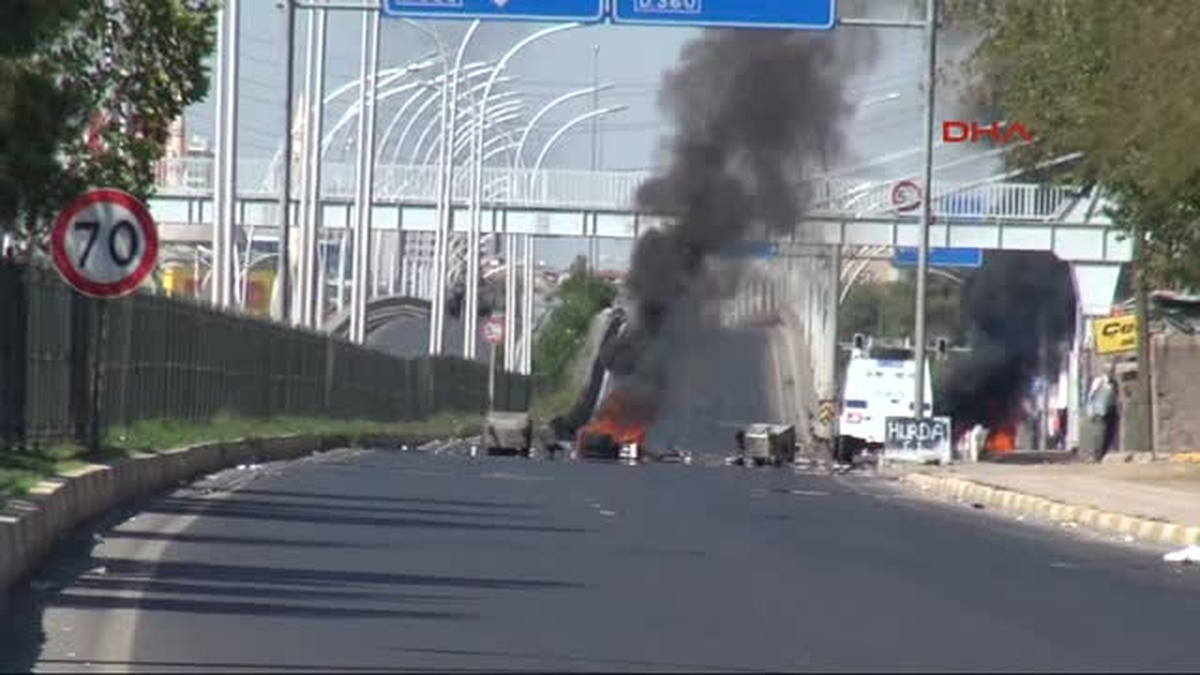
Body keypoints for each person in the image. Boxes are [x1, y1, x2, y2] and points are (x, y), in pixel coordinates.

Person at [1087, 365, 1120, 461]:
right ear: (1105, 371)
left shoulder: (1114, 383)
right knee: (1100, 434)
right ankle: (1096, 455)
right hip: (1100, 411)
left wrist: (1117, 409)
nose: (1111, 372)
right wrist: (1091, 411)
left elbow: (1116, 396)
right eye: (1110, 370)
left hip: (1111, 409)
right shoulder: (1099, 381)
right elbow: (1091, 396)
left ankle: (1101, 455)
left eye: (1112, 371)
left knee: (1110, 433)